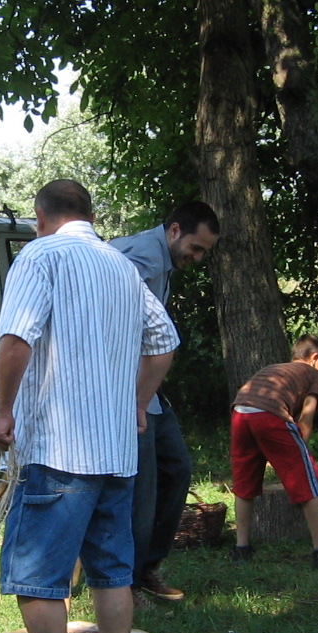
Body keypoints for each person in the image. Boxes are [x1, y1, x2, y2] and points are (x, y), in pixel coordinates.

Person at [0, 180, 179, 633]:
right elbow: (163, 341)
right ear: (89, 216)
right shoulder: (122, 265)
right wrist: (137, 404)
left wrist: (4, 412)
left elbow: (16, 340)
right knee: (112, 572)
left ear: (41, 216)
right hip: (116, 449)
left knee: (36, 575)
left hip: (58, 446)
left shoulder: (40, 255)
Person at [110, 201, 220, 603]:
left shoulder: (159, 257)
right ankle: (126, 581)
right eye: (196, 247)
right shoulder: (144, 257)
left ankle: (145, 568)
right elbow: (113, 318)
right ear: (174, 230)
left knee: (177, 469)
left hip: (147, 391)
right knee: (142, 491)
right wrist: (135, 396)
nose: (198, 258)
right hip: (126, 392)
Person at [228, 336, 318, 568]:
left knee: (244, 482)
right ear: (315, 358)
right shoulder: (314, 374)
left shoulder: (275, 369)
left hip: (240, 413)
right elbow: (306, 418)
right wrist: (300, 454)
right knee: (310, 481)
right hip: (269, 414)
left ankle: (241, 548)